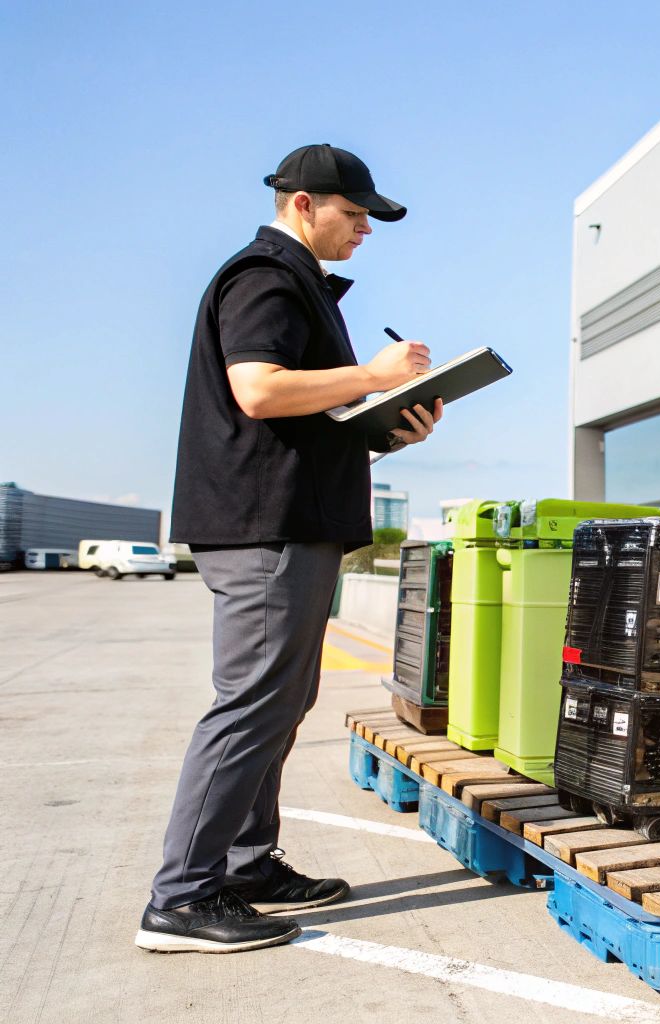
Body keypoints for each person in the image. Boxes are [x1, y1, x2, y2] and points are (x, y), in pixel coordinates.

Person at [139, 145, 443, 954]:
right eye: (354, 215)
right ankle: (179, 899)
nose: (365, 231)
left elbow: (302, 427)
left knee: (277, 703)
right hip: (264, 529)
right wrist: (373, 377)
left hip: (288, 520)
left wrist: (386, 431)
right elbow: (260, 390)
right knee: (249, 707)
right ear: (303, 204)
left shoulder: (299, 283)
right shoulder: (267, 275)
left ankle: (244, 866)